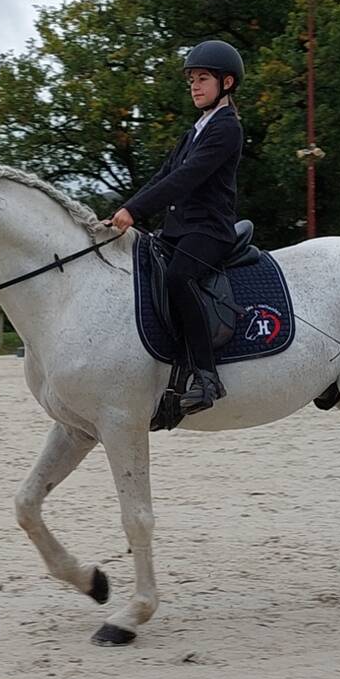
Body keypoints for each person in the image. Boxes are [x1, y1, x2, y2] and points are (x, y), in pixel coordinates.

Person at [106, 40, 245, 415]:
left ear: (227, 83)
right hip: (180, 228)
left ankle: (206, 376)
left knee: (179, 279)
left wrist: (134, 211)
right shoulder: (195, 130)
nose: (195, 86)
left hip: (209, 230)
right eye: (192, 80)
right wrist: (125, 209)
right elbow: (164, 175)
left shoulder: (226, 128)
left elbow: (187, 178)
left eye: (203, 79)